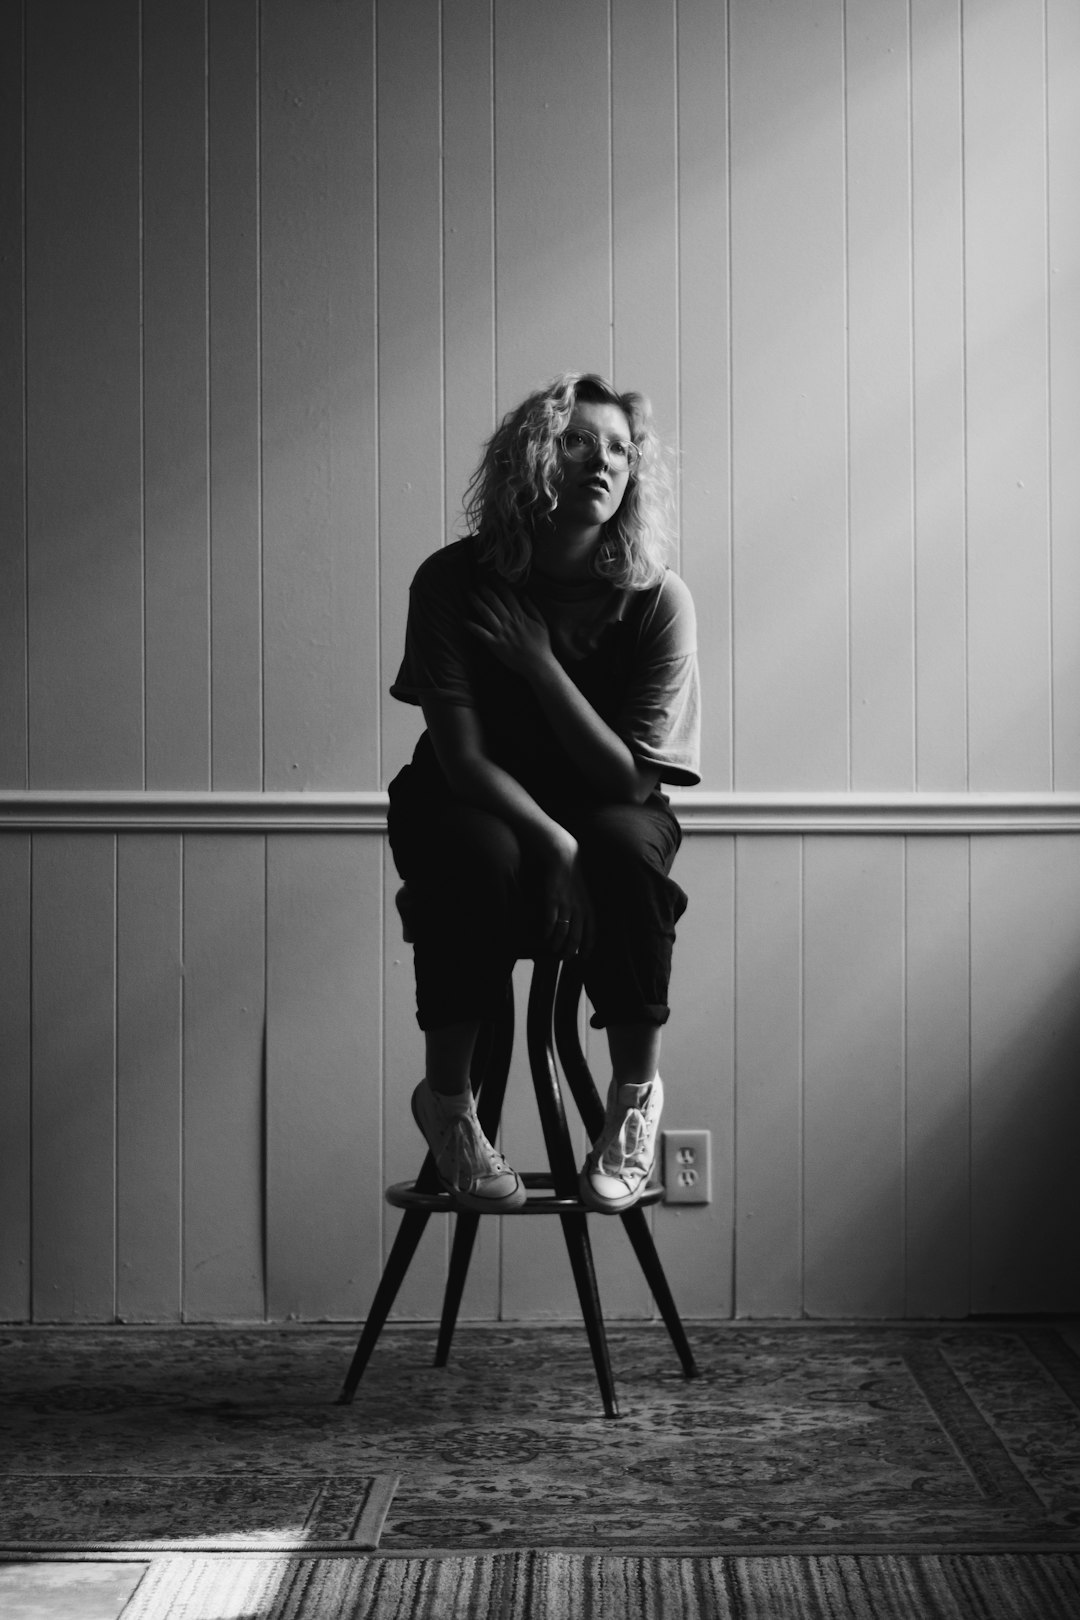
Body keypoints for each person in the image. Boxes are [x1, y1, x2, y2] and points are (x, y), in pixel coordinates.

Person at [387, 372, 700, 1217]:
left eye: (621, 450)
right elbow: (461, 760)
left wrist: (536, 661)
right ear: (533, 459)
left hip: (605, 802)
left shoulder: (658, 599)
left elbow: (632, 778)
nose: (603, 461)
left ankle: (633, 1104)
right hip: (473, 800)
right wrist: (550, 843)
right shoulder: (451, 583)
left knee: (626, 847)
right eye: (578, 441)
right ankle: (448, 1107)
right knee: (473, 852)